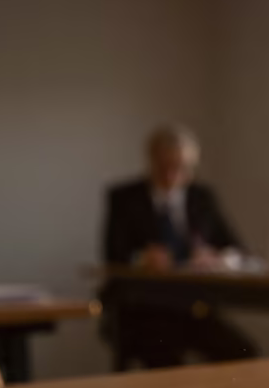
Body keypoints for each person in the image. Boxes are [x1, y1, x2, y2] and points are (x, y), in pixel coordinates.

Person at [101, 125, 258, 366]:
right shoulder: (125, 199)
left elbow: (236, 249)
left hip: (195, 308)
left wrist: (217, 258)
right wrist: (141, 259)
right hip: (143, 310)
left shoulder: (201, 197)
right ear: (152, 162)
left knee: (244, 352)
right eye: (166, 166)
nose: (173, 175)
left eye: (182, 167)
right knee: (168, 363)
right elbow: (112, 255)